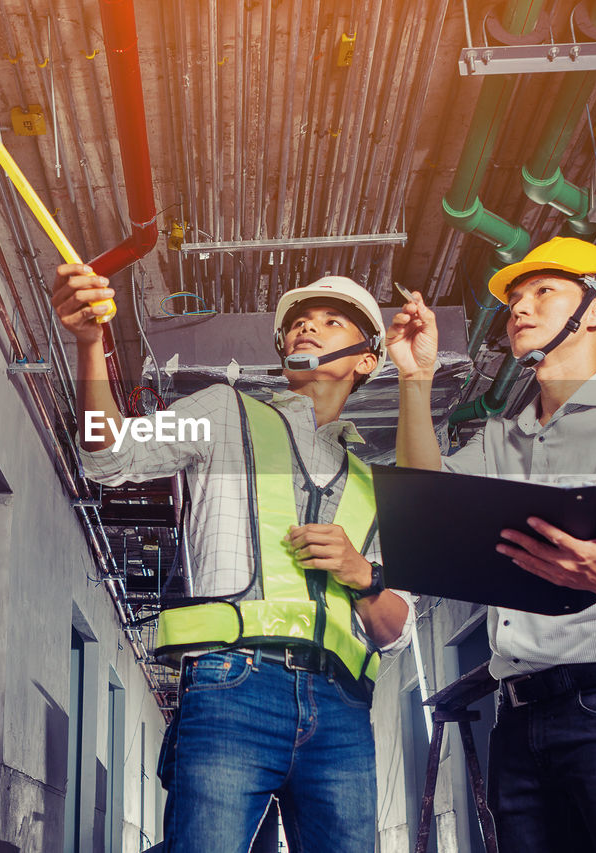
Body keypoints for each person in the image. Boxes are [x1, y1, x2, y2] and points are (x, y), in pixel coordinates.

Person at [53, 264, 416, 853]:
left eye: (330, 322)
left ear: (366, 359)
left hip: (342, 711)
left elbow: (396, 632)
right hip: (231, 686)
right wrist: (90, 343)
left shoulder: (380, 488)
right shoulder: (224, 413)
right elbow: (110, 457)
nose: (306, 329)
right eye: (297, 323)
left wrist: (363, 577)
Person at [389, 237, 596, 852]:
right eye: (514, 297)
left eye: (542, 291)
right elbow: (423, 500)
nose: (519, 307)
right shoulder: (498, 442)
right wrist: (415, 378)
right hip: (515, 719)